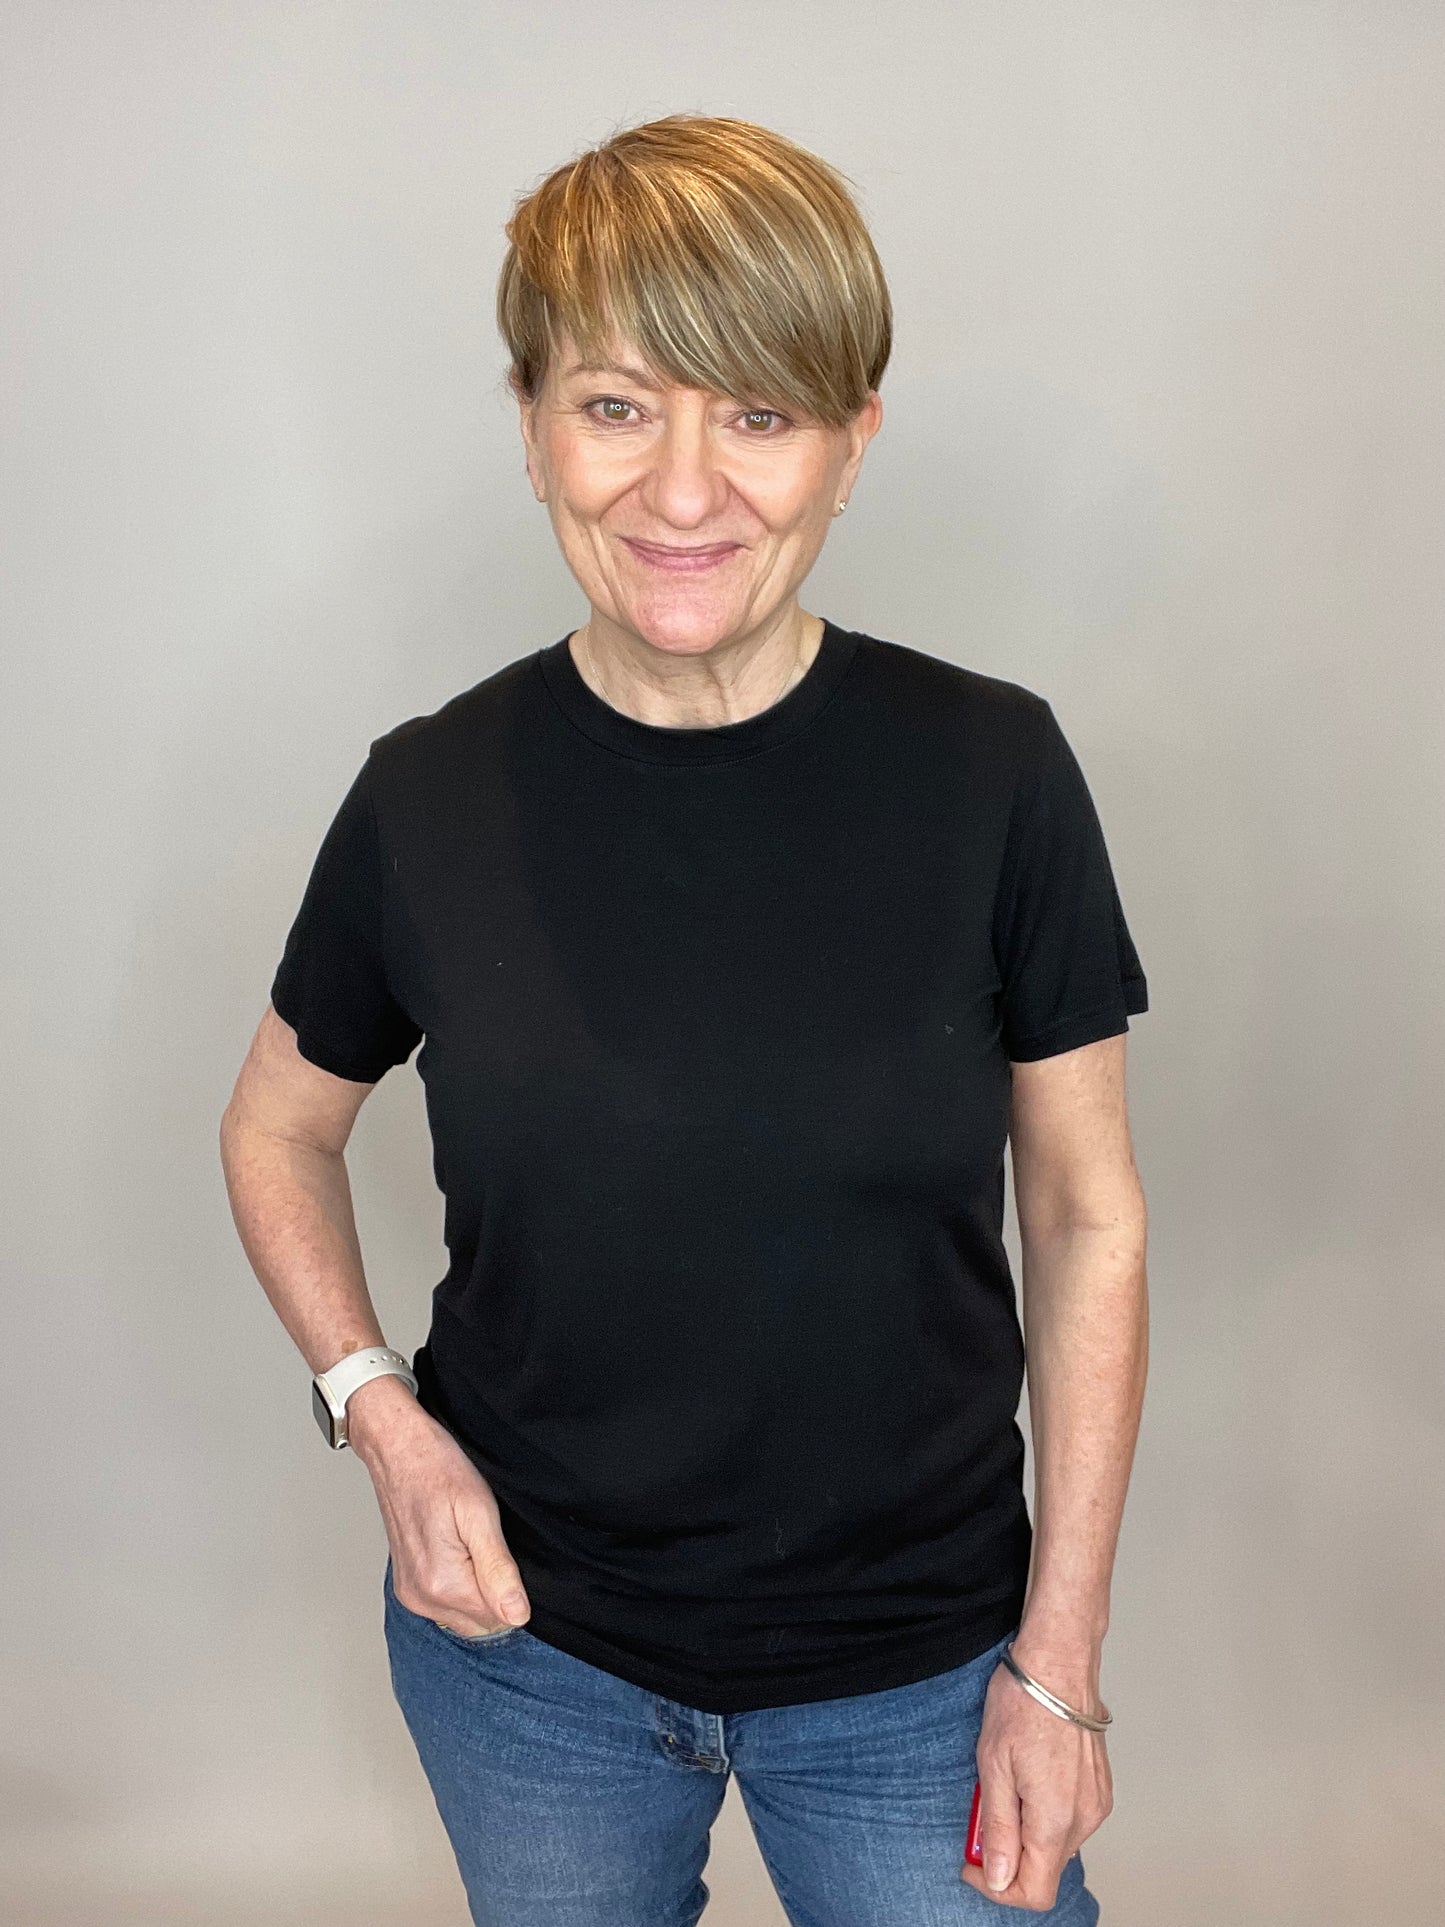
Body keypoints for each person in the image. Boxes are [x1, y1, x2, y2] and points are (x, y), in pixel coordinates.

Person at [220, 113, 1149, 1926]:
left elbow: (1084, 1214)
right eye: (616, 405)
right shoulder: (425, 798)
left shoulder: (992, 774)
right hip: (528, 1665)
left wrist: (1057, 1661)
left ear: (852, 444)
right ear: (531, 427)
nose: (681, 492)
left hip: (920, 1673)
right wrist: (375, 1410)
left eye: (759, 415)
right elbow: (276, 1125)